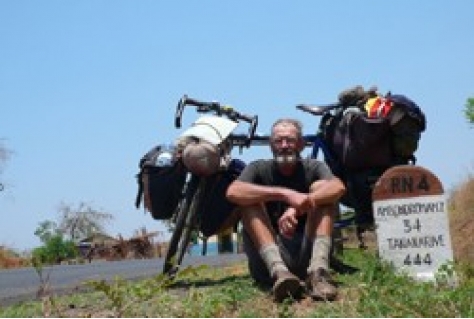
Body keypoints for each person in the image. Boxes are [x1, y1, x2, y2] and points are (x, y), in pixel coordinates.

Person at [226, 118, 346, 302]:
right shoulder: (258, 168)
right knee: (248, 200)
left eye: (290, 140)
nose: (284, 145)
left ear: (301, 144)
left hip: (308, 253)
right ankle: (279, 273)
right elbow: (233, 192)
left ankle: (319, 273)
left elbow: (338, 187)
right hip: (269, 262)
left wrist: (302, 204)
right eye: (278, 141)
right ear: (271, 146)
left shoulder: (314, 167)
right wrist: (285, 194)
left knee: (322, 189)